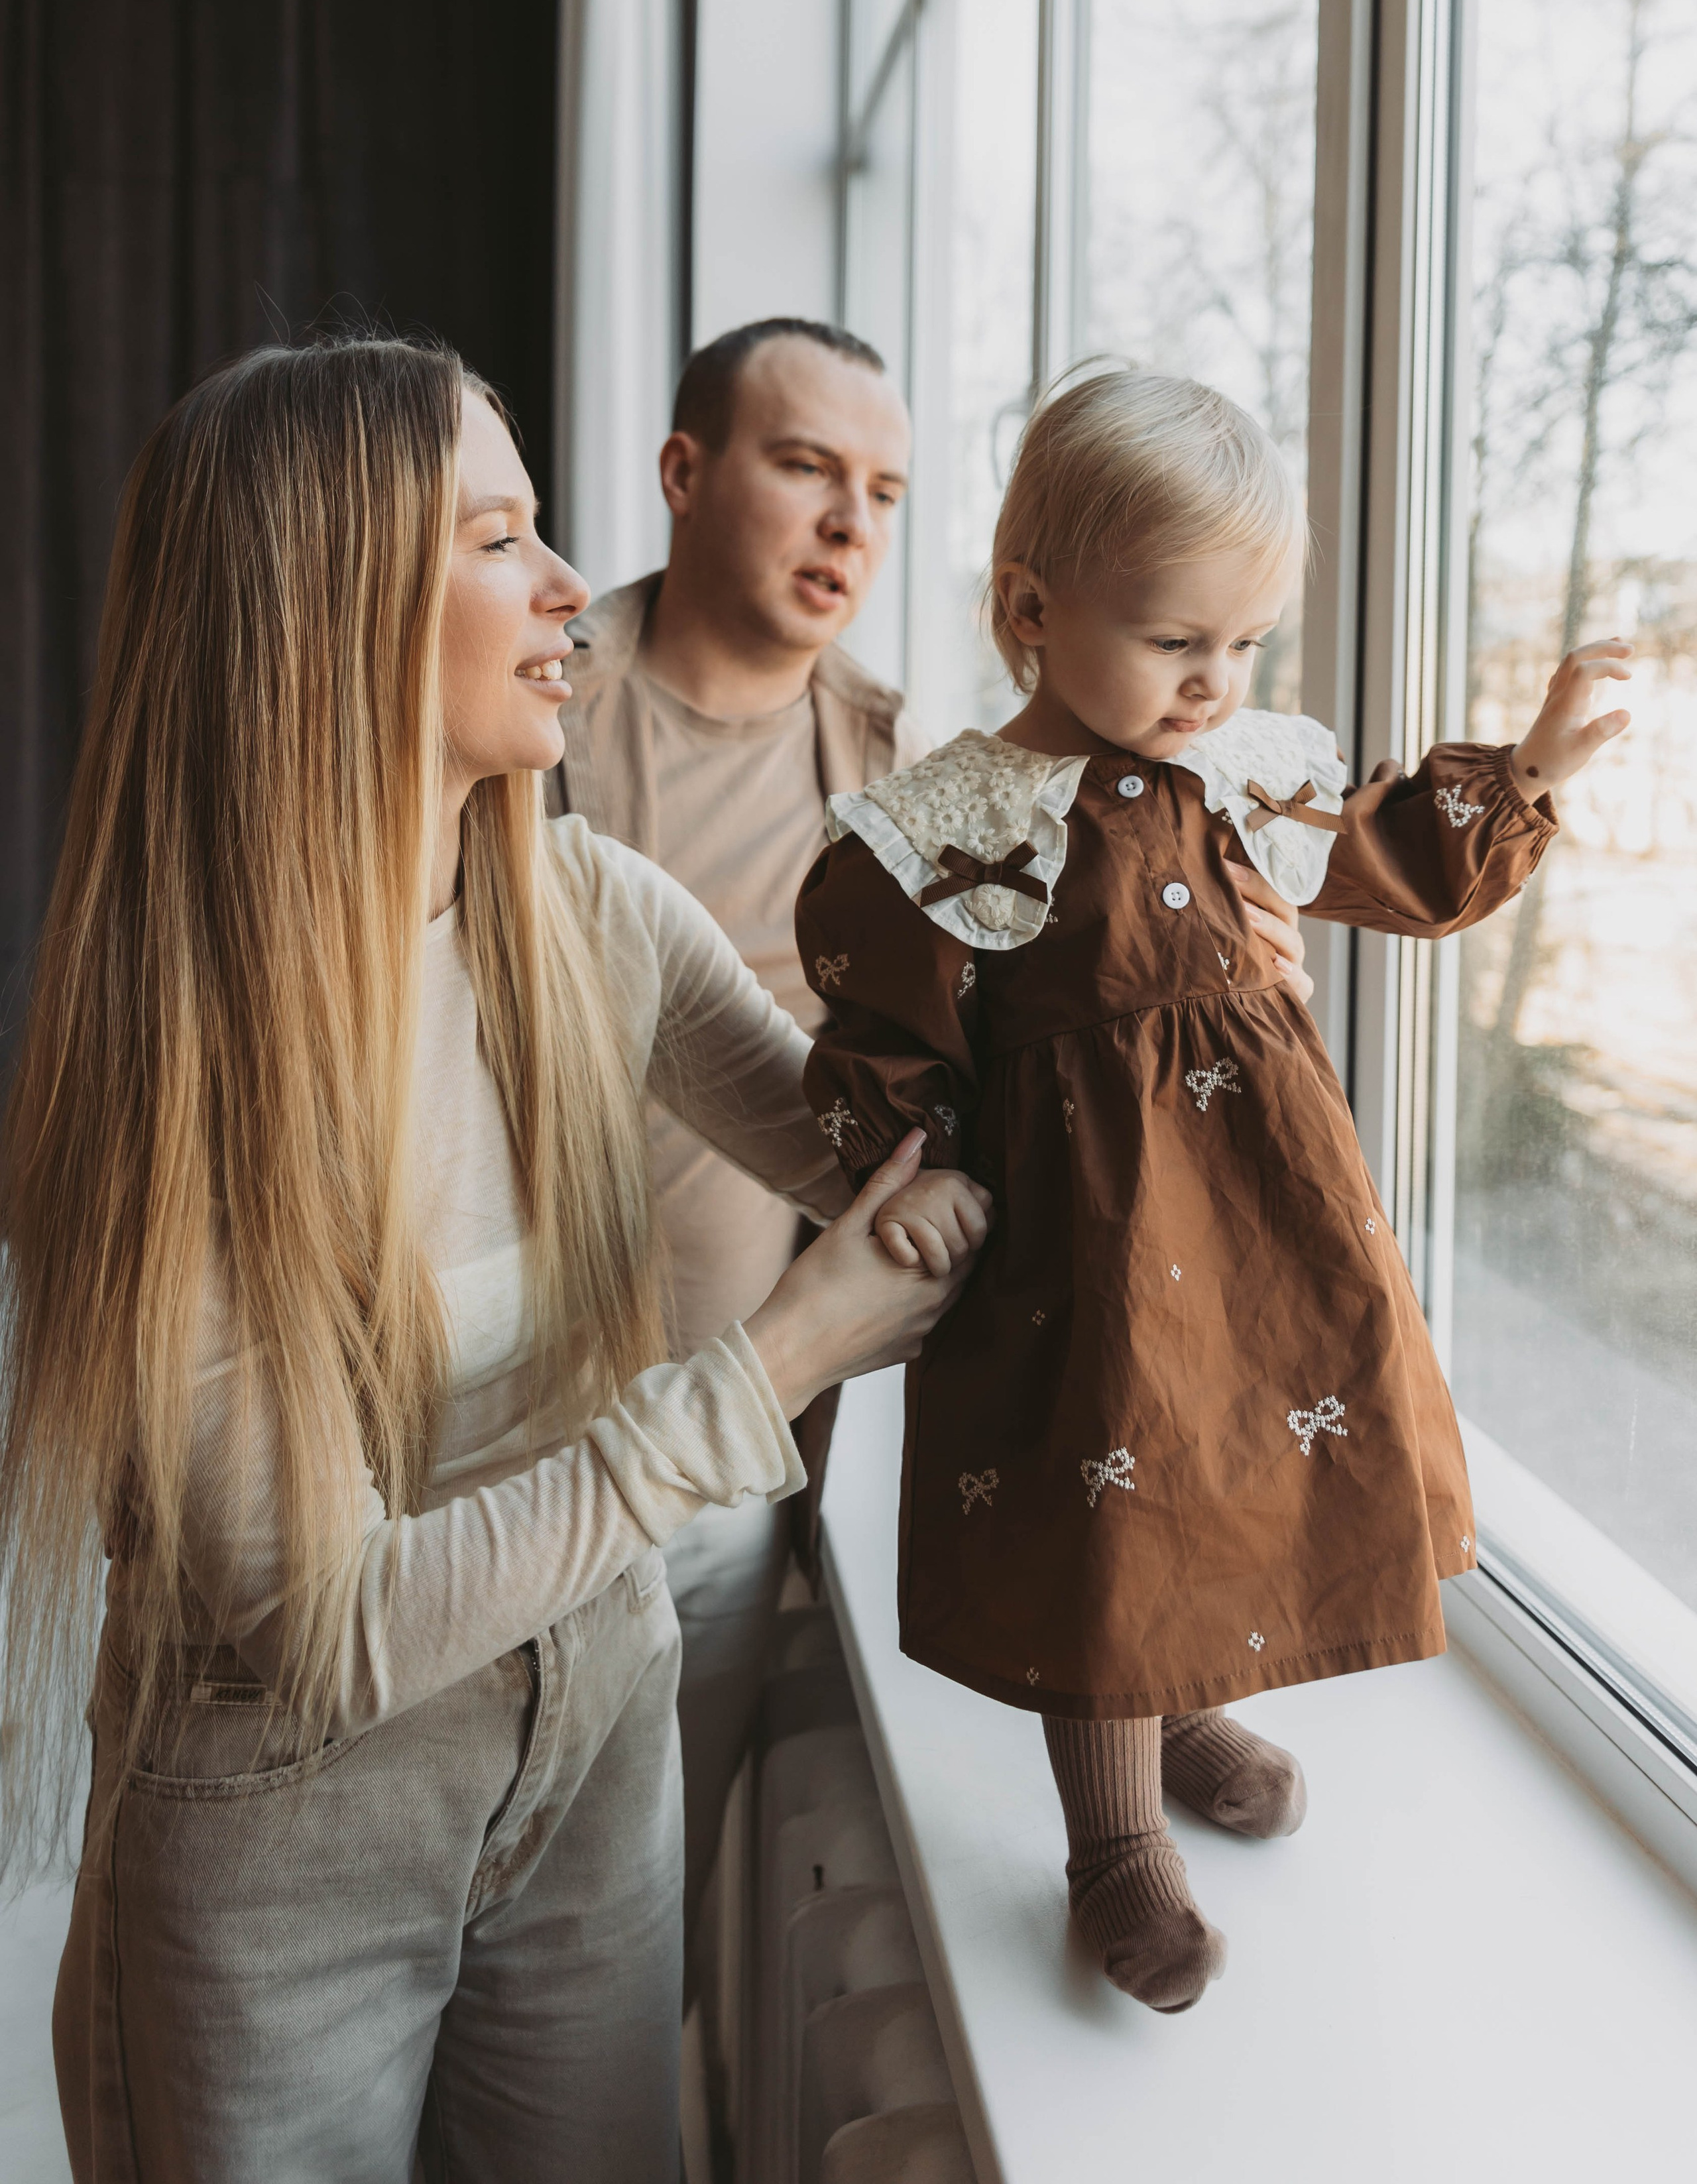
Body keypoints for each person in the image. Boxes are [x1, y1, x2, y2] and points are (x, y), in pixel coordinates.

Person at [0, 337, 991, 2181]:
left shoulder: (591, 913)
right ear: (329, 607)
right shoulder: (178, 1064)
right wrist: (775, 1360)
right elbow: (333, 1626)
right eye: (497, 540)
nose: (565, 588)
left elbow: (896, 1162)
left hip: (595, 1741)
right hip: (283, 1834)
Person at [796, 364, 1632, 2014]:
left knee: (1228, 1464)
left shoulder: (1249, 774)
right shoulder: (958, 828)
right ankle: (1110, 1840)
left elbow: (1392, 856)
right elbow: (873, 1024)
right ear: (1030, 609)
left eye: (1241, 644)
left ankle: (1178, 1709)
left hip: (1249, 1219)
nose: (1213, 682)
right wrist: (923, 1170)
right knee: (1108, 1504)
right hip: (1084, 1252)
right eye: (1178, 641)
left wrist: (1522, 766)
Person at [546, 315, 929, 1953]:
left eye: (884, 491)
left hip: (724, 1450)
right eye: (805, 468)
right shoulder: (539, 714)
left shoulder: (903, 767)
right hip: (480, 1436)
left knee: (639, 1944)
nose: (851, 524)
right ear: (685, 475)